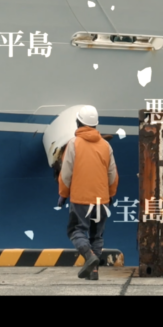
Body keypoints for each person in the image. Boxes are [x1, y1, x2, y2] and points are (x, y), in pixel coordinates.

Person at [57, 105, 118, 281]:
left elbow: (66, 173)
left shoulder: (73, 144)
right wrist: (110, 194)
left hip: (81, 200)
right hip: (101, 200)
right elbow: (112, 174)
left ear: (78, 122)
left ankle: (89, 257)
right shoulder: (106, 145)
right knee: (96, 235)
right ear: (95, 124)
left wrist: (63, 194)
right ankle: (94, 271)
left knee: (76, 231)